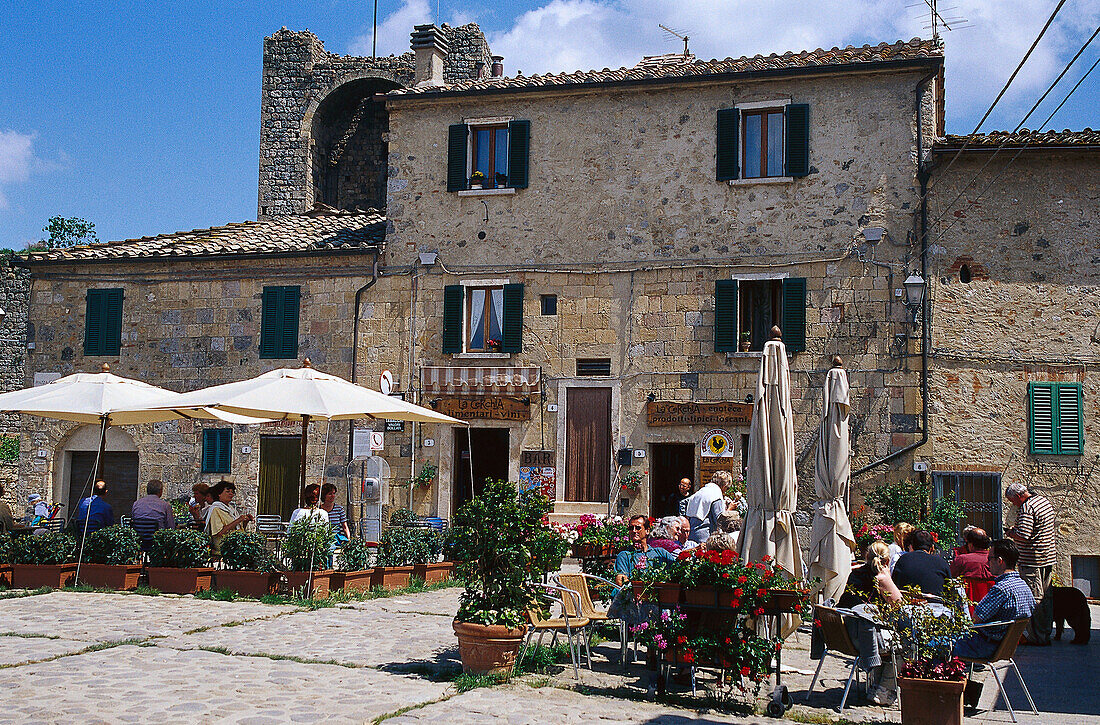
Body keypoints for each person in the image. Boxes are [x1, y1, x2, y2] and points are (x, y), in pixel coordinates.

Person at [837, 541, 903, 706]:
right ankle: (884, 690)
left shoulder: (854, 574)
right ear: (887, 561)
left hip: (846, 634)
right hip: (864, 639)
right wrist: (888, 577)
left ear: (866, 557)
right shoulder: (881, 578)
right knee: (906, 645)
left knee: (884, 638)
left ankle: (875, 686)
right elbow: (899, 604)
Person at [953, 539, 1035, 659]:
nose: (987, 563)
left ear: (999, 561)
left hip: (985, 647)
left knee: (935, 643)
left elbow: (975, 619)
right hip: (1005, 647)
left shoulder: (1001, 589)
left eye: (990, 558)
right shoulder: (1024, 586)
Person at [1004, 482, 1056, 645]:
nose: (1013, 504)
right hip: (1047, 555)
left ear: (1019, 496)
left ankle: (1037, 637)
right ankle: (1045, 633)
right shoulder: (1043, 501)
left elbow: (1024, 535)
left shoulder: (1027, 508)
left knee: (1035, 597)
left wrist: (1011, 533)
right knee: (1046, 596)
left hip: (1032, 559)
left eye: (1013, 501)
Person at [613, 515, 678, 587]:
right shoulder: (624, 556)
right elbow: (621, 582)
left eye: (638, 528)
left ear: (647, 530)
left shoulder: (661, 553)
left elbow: (677, 570)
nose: (634, 531)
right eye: (631, 528)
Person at [892, 529, 950, 597]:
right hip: (936, 604)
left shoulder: (903, 560)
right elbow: (949, 590)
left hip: (908, 604)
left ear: (912, 546)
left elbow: (894, 585)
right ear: (932, 548)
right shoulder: (942, 563)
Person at [205, 479, 253, 555]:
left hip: (235, 541)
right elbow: (219, 533)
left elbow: (238, 529)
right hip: (224, 544)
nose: (231, 494)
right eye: (227, 492)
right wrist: (238, 520)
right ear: (219, 494)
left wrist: (245, 521)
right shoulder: (215, 509)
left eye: (232, 492)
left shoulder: (231, 509)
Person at [685, 471, 728, 543]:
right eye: (726, 488)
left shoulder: (699, 492)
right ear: (724, 486)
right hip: (705, 536)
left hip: (692, 534)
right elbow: (719, 519)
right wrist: (730, 509)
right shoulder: (715, 494)